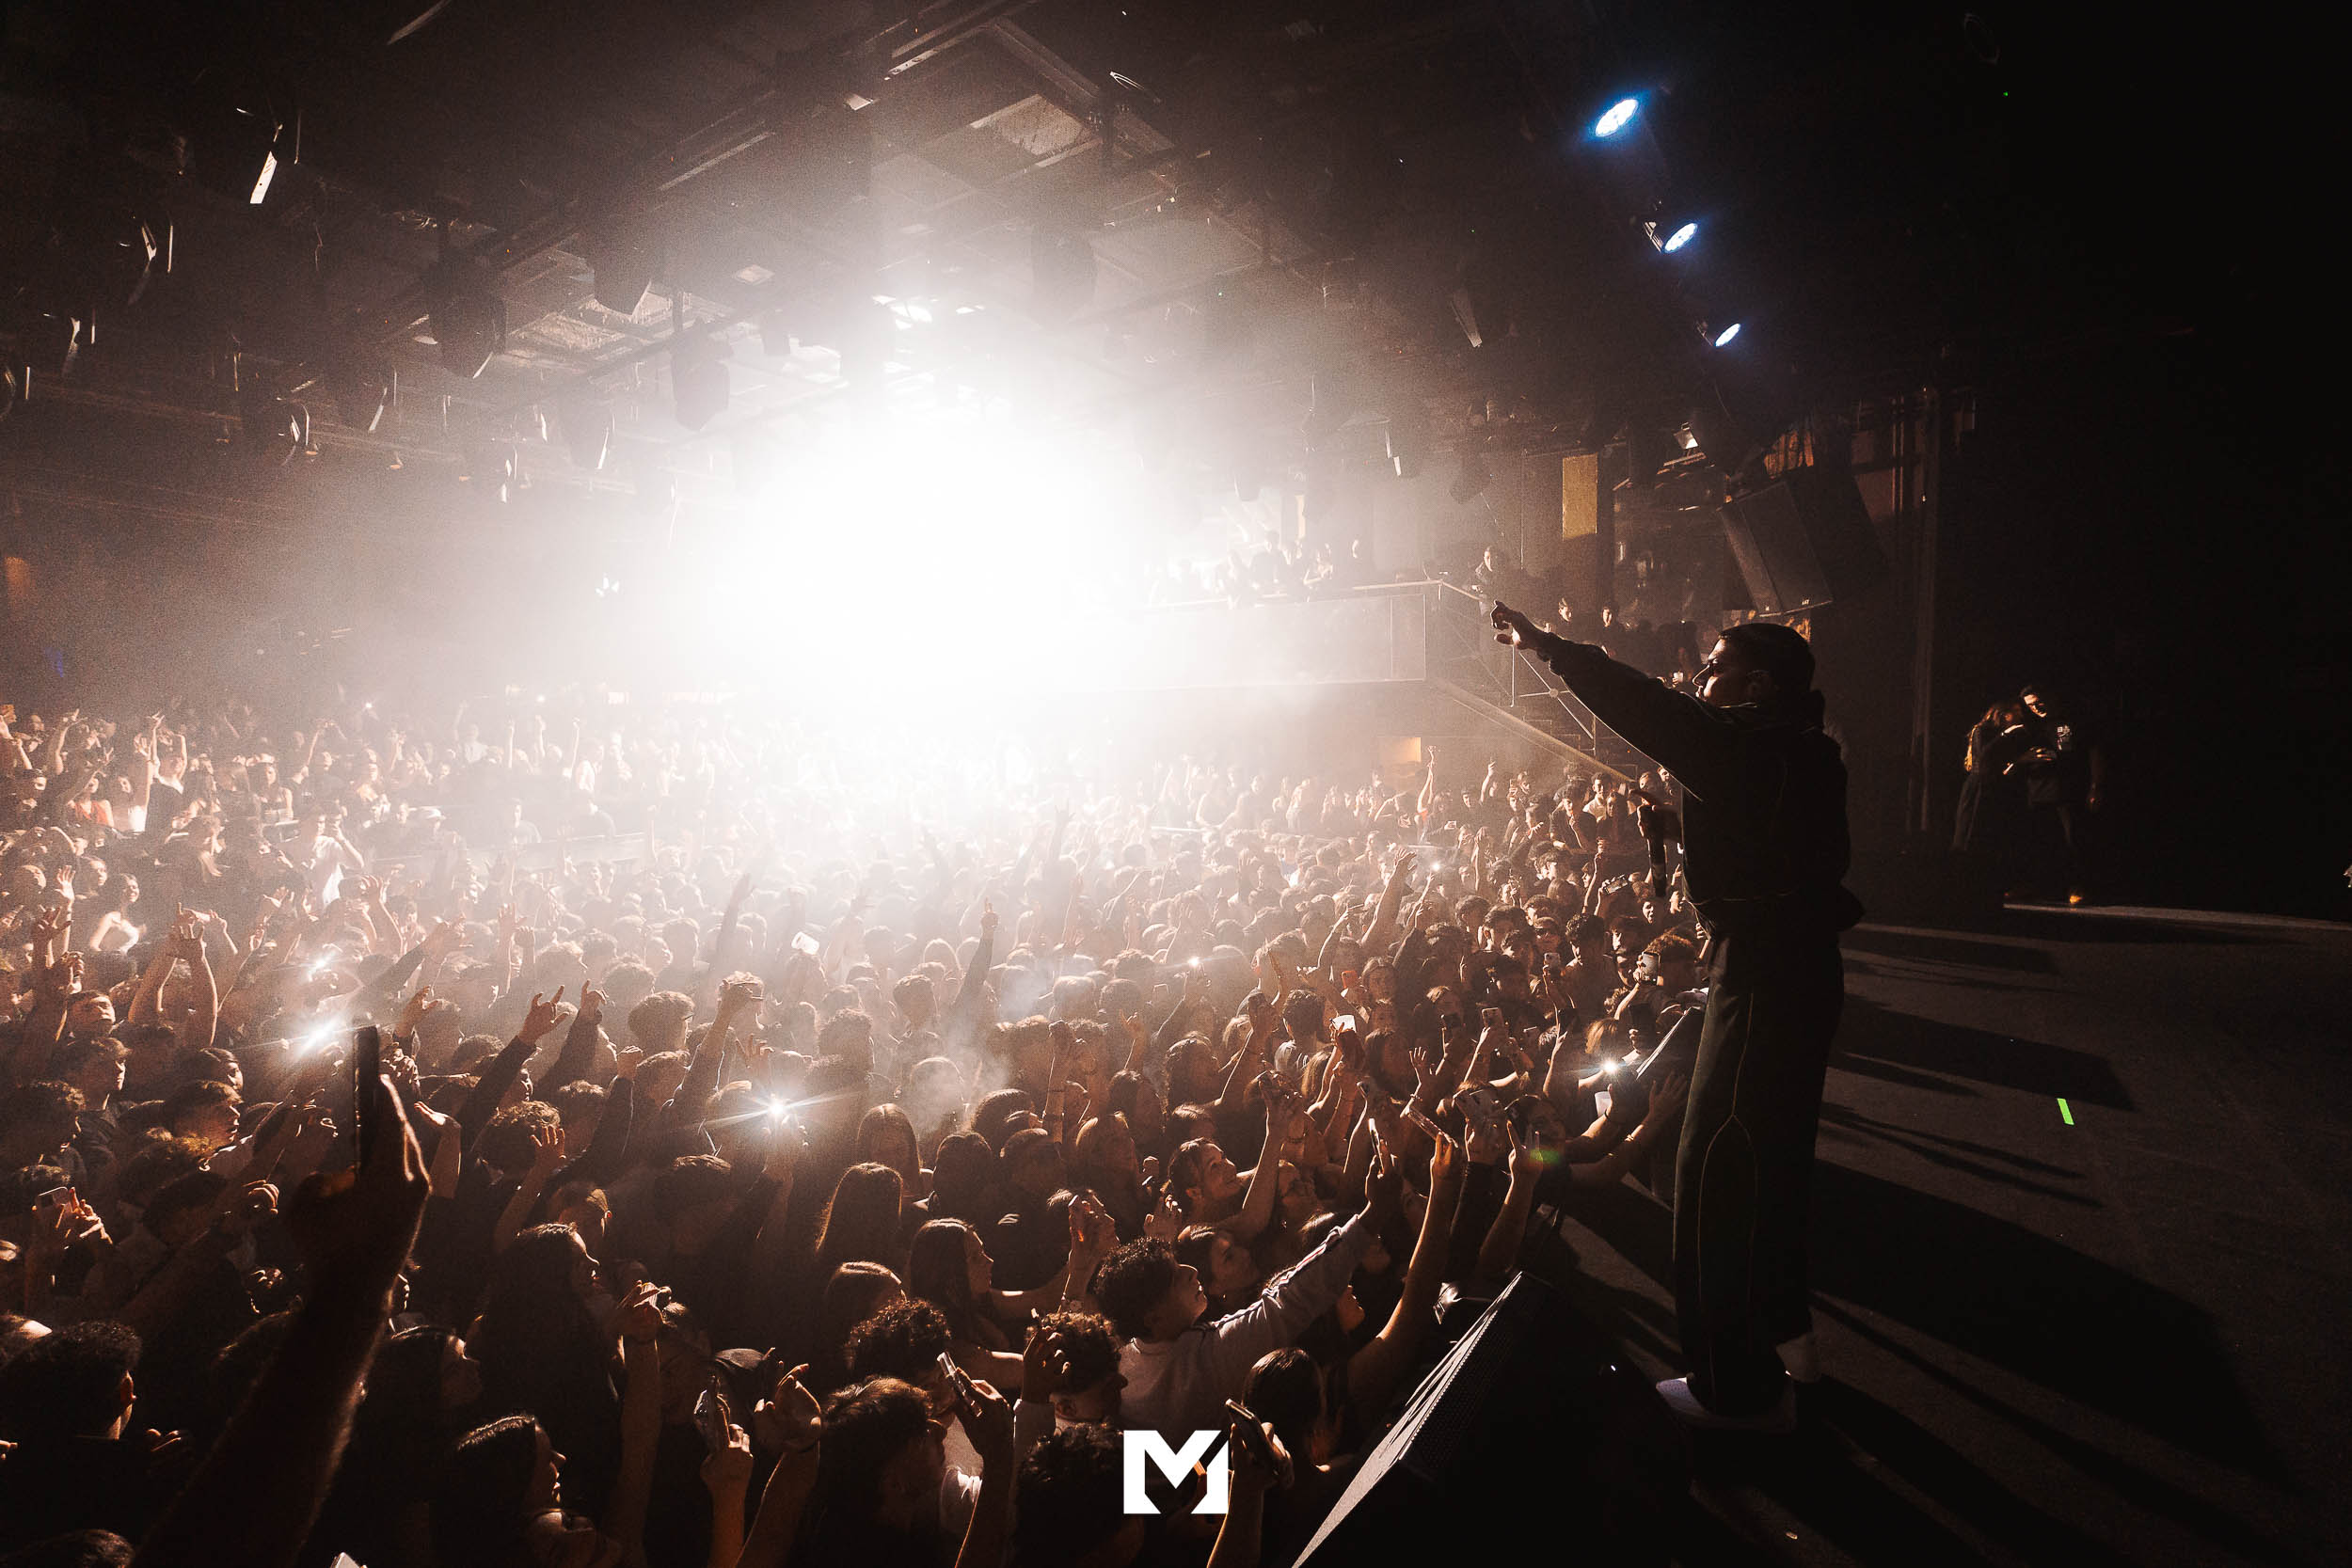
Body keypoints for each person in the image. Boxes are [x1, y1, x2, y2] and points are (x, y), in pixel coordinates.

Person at [1493, 601, 1857, 1431]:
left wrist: (1550, 646)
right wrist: (1687, 833)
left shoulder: (1750, 743)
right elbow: (1766, 845)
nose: (1700, 679)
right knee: (1770, 1165)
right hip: (1792, 969)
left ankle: (1734, 1389)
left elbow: (1649, 707)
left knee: (1713, 1168)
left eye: (1715, 667)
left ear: (1757, 685)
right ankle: (1786, 1334)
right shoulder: (1799, 749)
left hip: (1762, 977)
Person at [2015, 684, 2105, 903]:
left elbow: (2094, 753)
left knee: (2073, 840)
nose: (2036, 708)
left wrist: (2095, 786)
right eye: (2030, 705)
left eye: (2038, 702)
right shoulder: (2030, 726)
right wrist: (2024, 759)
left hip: (2068, 791)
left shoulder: (2073, 721)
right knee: (2039, 841)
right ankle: (2038, 885)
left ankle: (2078, 886)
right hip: (2037, 791)